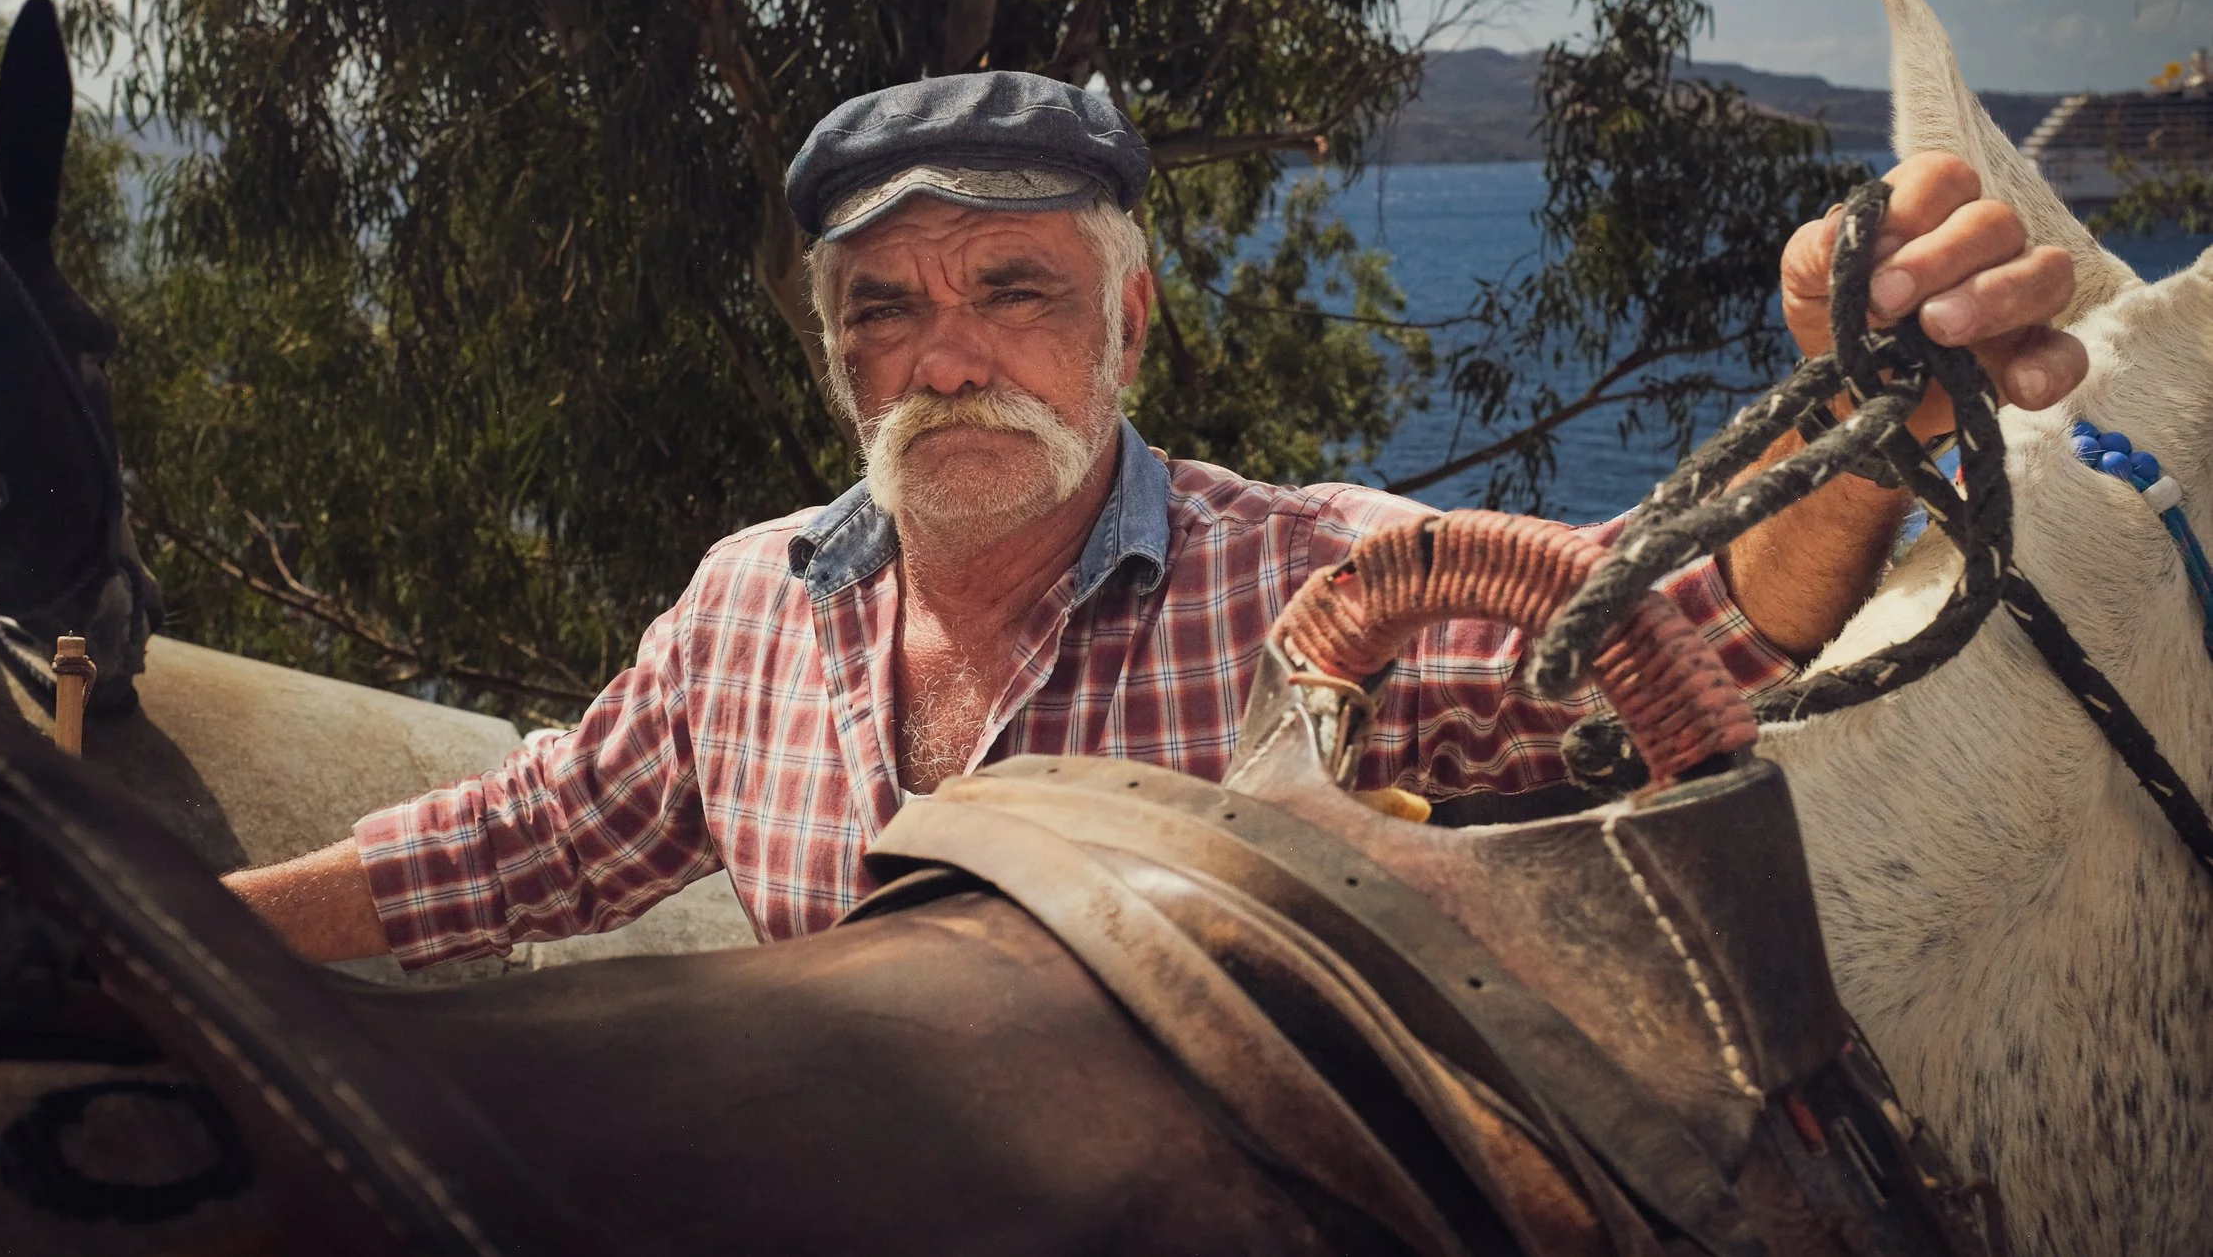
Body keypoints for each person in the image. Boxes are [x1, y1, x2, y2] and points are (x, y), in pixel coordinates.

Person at [227, 71, 2084, 966]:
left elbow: (1697, 645)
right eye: (885, 307)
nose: (948, 355)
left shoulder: (1319, 585)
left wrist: (1872, 400)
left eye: (1015, 289)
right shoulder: (748, 608)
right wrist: (183, 927)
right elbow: (532, 838)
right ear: (836, 364)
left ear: (1127, 320)